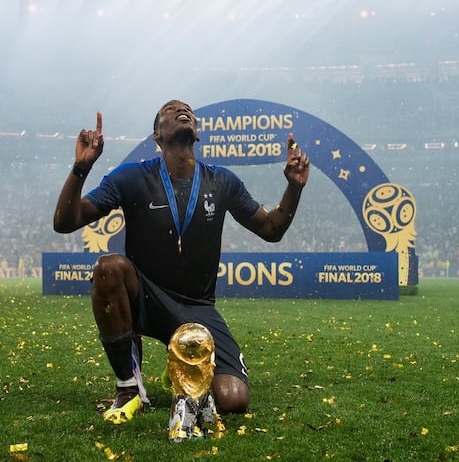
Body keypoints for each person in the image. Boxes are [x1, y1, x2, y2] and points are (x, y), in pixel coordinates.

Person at [53, 100, 309, 424]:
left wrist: (294, 188)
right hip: (145, 296)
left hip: (198, 307)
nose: (181, 110)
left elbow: (272, 229)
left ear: (197, 132)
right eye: (169, 110)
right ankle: (128, 388)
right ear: (157, 135)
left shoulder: (222, 182)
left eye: (187, 110)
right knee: (108, 268)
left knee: (233, 399)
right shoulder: (133, 177)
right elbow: (65, 221)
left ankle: (180, 362)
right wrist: (81, 168)